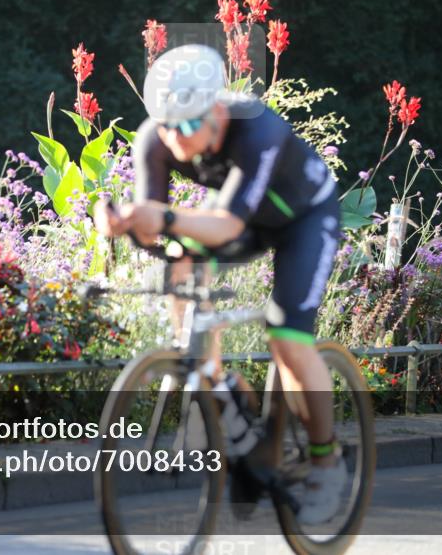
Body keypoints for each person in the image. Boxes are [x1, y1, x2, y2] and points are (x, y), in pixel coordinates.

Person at [93, 44, 345, 524]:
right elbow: (159, 233)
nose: (176, 138)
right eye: (166, 125)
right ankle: (210, 373)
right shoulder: (156, 138)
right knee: (181, 260)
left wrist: (162, 217)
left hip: (304, 219)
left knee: (288, 340)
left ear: (218, 110)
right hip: (248, 220)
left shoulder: (258, 129)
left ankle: (325, 460)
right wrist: (122, 220)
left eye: (188, 125)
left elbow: (226, 224)